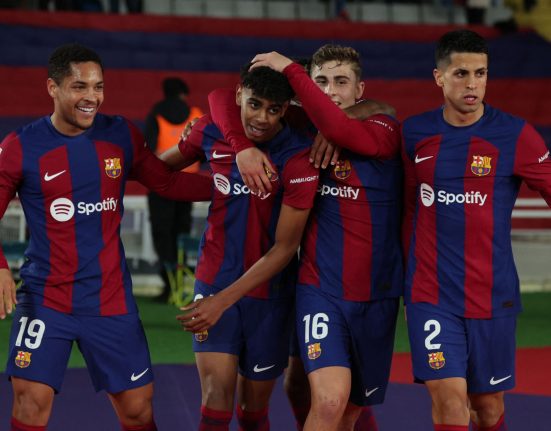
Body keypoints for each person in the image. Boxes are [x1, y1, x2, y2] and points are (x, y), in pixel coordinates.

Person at [0, 43, 212, 431]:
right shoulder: (20, 146)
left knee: (137, 410)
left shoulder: (120, 134)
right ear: (53, 88)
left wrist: (227, 187)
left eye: (98, 87)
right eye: (80, 86)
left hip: (110, 299)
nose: (92, 97)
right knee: (30, 404)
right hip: (47, 299)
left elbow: (164, 181)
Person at [209, 45, 403, 431]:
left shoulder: (384, 128)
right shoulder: (299, 125)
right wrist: (243, 147)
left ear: (359, 90)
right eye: (321, 82)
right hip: (318, 287)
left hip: (377, 292)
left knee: (348, 408)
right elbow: (220, 99)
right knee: (325, 398)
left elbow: (371, 114)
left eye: (341, 82)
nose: (330, 91)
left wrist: (288, 68)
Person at [401, 29, 551, 431]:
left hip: (492, 295)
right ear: (439, 77)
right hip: (430, 294)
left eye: (481, 74)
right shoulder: (414, 134)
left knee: (487, 408)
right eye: (461, 73)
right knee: (449, 401)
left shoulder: (517, 135)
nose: (473, 84)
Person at [161, 64, 319, 431]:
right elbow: (158, 171)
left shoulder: (298, 157)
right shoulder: (210, 131)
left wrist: (221, 301)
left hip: (271, 294)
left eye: (274, 109)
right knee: (215, 399)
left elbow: (285, 248)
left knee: (252, 409)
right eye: (254, 104)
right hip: (214, 278)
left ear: (285, 108)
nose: (262, 118)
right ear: (239, 98)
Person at [144, 77, 204, 303]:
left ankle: (168, 284)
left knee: (163, 235)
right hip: (187, 184)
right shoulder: (195, 112)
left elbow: (147, 149)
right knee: (182, 234)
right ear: (183, 93)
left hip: (162, 184)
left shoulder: (156, 113)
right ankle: (181, 283)